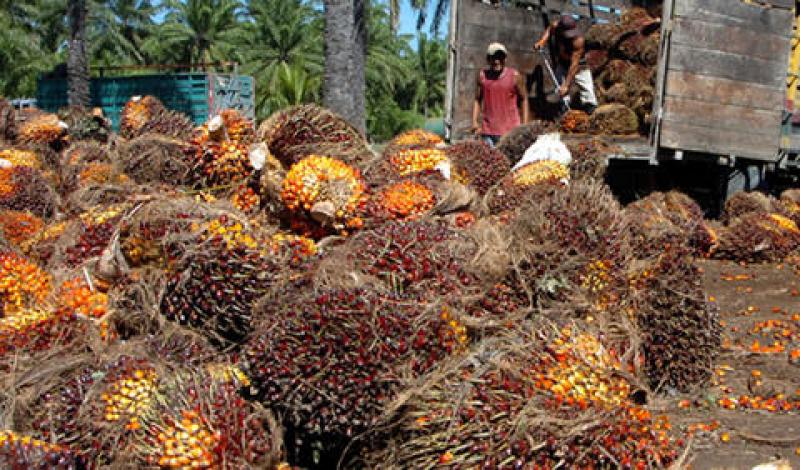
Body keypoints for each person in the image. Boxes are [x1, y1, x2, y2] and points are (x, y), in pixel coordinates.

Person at [534, 14, 598, 114]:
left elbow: (574, 65)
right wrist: (542, 41)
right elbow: (550, 29)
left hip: (580, 65)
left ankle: (590, 110)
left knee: (587, 89)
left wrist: (566, 85)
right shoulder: (556, 26)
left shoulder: (579, 40)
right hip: (563, 62)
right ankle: (564, 110)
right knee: (560, 87)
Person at [471, 42, 529, 147]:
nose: (497, 61)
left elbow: (524, 99)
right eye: (493, 58)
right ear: (488, 59)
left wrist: (524, 126)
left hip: (510, 132)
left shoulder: (514, 76)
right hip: (488, 132)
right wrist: (474, 121)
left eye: (500, 57)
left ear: (505, 59)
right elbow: (477, 99)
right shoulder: (482, 76)